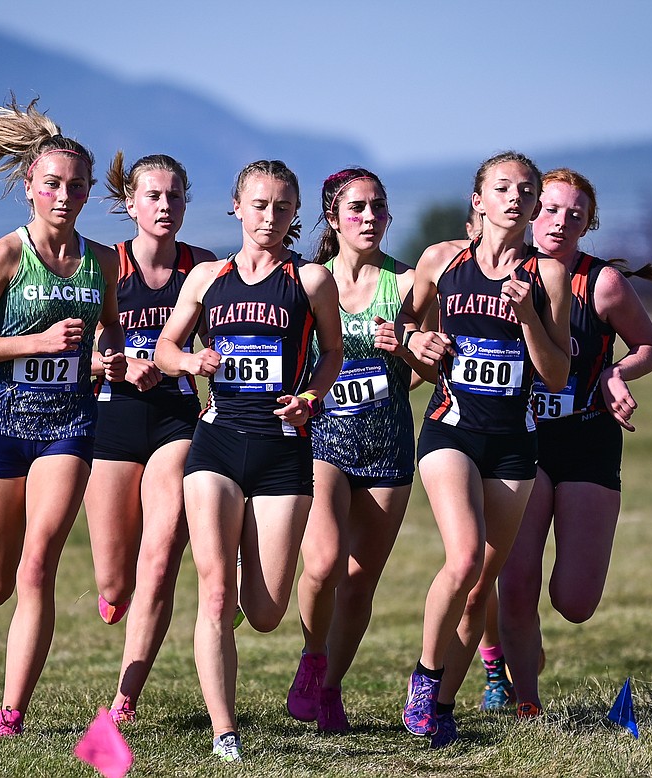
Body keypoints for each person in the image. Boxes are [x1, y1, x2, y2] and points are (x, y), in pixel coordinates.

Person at [0, 97, 127, 737]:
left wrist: (111, 361)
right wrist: (33, 344)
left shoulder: (103, 263)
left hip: (68, 428)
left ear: (90, 191)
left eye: (76, 186)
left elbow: (111, 343)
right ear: (30, 188)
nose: (64, 196)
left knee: (38, 563)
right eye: (52, 185)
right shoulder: (5, 257)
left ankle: (11, 713)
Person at [153, 160, 342, 763]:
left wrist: (310, 396)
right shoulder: (208, 278)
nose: (270, 217)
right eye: (259, 204)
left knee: (264, 610)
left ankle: (238, 578)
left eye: (283, 207)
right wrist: (191, 364)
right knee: (214, 593)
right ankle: (224, 733)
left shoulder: (310, 281)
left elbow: (333, 353)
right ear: (237, 206)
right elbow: (164, 349)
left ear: (296, 214)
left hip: (283, 449)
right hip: (219, 443)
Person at [396, 151, 571, 748]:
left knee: (478, 591)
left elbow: (554, 374)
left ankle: (442, 706)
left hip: (514, 442)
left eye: (527, 190)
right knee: (464, 557)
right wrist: (419, 341)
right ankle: (425, 678)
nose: (516, 198)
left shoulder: (547, 275)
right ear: (479, 200)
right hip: (451, 428)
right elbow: (400, 329)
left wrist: (526, 319)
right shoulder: (442, 260)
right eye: (503, 188)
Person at [497, 167, 652, 718]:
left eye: (575, 214)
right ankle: (524, 700)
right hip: (521, 438)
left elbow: (650, 348)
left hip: (588, 438)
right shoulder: (503, 269)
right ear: (529, 209)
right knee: (516, 582)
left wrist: (616, 372)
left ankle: (520, 652)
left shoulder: (603, 284)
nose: (559, 222)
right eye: (549, 208)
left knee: (574, 602)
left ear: (589, 224)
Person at [284, 168, 423, 733]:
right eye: (357, 208)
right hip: (323, 436)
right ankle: (312, 658)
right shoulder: (307, 281)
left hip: (387, 438)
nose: (370, 217)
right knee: (321, 564)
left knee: (361, 579)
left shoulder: (409, 282)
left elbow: (434, 366)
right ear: (333, 218)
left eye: (379, 207)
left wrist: (409, 349)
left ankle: (332, 688)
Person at [83, 152, 217, 723]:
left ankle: (124, 701)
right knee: (116, 580)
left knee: (159, 562)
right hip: (112, 420)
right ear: (130, 204)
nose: (165, 206)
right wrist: (107, 364)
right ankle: (116, 597)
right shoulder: (105, 265)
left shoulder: (205, 267)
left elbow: (235, 335)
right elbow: (72, 348)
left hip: (177, 422)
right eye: (153, 196)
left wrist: (193, 360)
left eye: (175, 196)